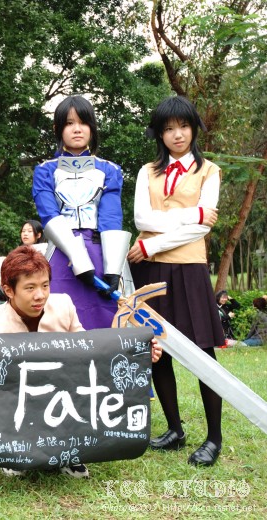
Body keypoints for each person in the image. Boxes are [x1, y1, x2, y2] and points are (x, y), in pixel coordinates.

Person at [0, 246, 163, 479]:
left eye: (45, 285)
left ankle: (69, 450)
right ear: (9, 290)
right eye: (30, 288)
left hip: (60, 397)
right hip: (19, 400)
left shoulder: (63, 305)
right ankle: (14, 449)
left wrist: (140, 355)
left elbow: (91, 352)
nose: (40, 295)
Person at [127, 95, 224, 466]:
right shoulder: (147, 172)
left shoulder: (209, 171)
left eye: (183, 126)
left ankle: (213, 438)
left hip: (188, 267)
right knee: (157, 349)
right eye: (168, 129)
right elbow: (141, 219)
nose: (177, 134)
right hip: (150, 271)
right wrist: (193, 213)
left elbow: (202, 228)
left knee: (203, 352)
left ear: (194, 128)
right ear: (159, 134)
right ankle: (175, 430)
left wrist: (152, 244)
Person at [32, 95, 127, 330]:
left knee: (106, 317)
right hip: (61, 253)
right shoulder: (45, 170)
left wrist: (113, 270)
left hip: (102, 252)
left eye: (83, 122)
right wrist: (78, 258)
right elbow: (49, 214)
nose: (77, 129)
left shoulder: (110, 169)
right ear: (57, 129)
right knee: (56, 318)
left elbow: (111, 216)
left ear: (92, 127)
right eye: (69, 123)